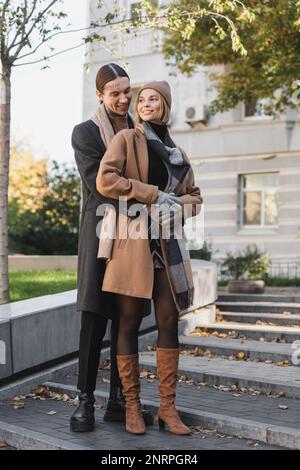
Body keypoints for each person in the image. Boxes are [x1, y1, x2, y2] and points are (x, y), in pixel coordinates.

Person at [96, 81, 203, 435]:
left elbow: (195, 197)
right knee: (127, 323)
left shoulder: (176, 152)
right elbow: (106, 179)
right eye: (140, 99)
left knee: (169, 320)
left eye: (152, 99)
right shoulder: (126, 139)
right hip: (134, 242)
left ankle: (168, 409)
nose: (144, 103)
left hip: (169, 244)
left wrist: (177, 208)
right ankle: (131, 407)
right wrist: (152, 195)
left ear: (166, 105)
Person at [70, 63, 153, 432]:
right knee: (93, 318)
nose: (123, 99)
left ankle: (120, 401)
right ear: (101, 94)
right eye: (115, 92)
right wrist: (145, 196)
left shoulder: (141, 131)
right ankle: (84, 401)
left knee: (127, 317)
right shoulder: (86, 133)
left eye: (126, 91)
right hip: (101, 233)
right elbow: (100, 184)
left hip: (134, 235)